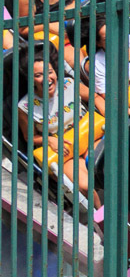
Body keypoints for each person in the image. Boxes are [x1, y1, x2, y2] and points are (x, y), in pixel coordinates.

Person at [16, 46, 96, 205]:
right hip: (65, 149)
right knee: (86, 186)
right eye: (39, 75)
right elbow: (29, 137)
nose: (47, 79)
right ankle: (104, 222)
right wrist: (48, 140)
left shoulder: (69, 84)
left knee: (105, 166)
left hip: (88, 136)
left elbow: (94, 97)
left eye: (49, 72)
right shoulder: (25, 106)